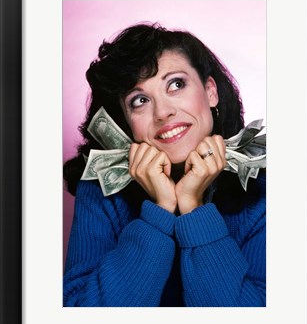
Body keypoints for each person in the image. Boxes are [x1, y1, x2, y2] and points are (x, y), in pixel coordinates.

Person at [63, 22, 266, 307]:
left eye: (176, 84)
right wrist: (159, 212)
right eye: (140, 100)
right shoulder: (100, 191)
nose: (163, 112)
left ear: (210, 91)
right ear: (125, 121)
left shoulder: (265, 191)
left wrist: (193, 208)